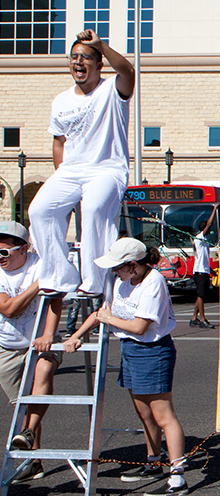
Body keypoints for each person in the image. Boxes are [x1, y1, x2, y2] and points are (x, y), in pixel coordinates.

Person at [63, 238, 188, 496]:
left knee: (164, 414)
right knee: (144, 413)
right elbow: (101, 312)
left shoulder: (154, 282)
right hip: (130, 350)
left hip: (153, 350)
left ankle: (178, 476)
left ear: (134, 265)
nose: (114, 273)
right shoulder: (121, 282)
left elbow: (140, 327)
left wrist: (109, 319)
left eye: (117, 268)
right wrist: (76, 335)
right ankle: (154, 462)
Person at [26, 29, 134, 297]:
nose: (78, 62)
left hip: (107, 169)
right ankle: (57, 275)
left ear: (99, 64)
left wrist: (101, 45)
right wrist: (62, 183)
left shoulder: (112, 89)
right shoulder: (61, 101)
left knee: (95, 209)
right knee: (40, 210)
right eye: (74, 57)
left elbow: (128, 71)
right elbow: (59, 142)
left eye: (86, 57)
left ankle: (94, 281)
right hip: (70, 171)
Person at [0, 222, 62, 483]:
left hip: (40, 342)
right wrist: (37, 285)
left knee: (44, 370)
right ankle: (33, 460)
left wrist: (48, 335)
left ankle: (28, 433)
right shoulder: (31, 275)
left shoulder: (40, 264)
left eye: (4, 252)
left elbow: (54, 300)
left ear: (23, 248)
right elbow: (8, 309)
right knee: (20, 406)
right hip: (7, 346)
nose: (0, 258)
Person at [189, 206, 217, 329]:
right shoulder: (199, 238)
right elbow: (210, 224)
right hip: (200, 272)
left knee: (201, 295)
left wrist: (210, 270)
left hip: (203, 270)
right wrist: (214, 210)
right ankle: (202, 318)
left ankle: (194, 318)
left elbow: (202, 258)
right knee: (201, 296)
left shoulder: (203, 240)